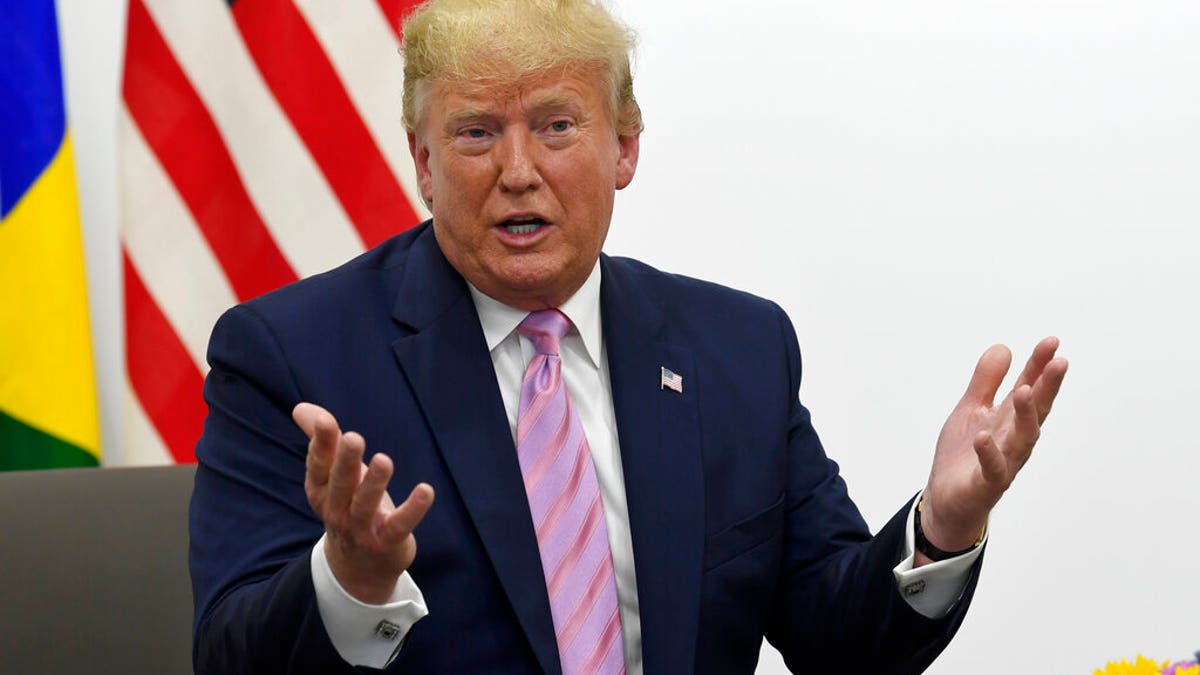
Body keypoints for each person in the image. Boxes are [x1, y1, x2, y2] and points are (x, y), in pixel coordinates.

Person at [188, 0, 1068, 673]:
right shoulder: (291, 358)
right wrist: (347, 578)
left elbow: (839, 640)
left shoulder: (740, 350)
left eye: (557, 125)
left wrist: (943, 529)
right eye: (476, 133)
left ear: (625, 149)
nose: (518, 170)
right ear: (422, 163)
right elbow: (228, 654)